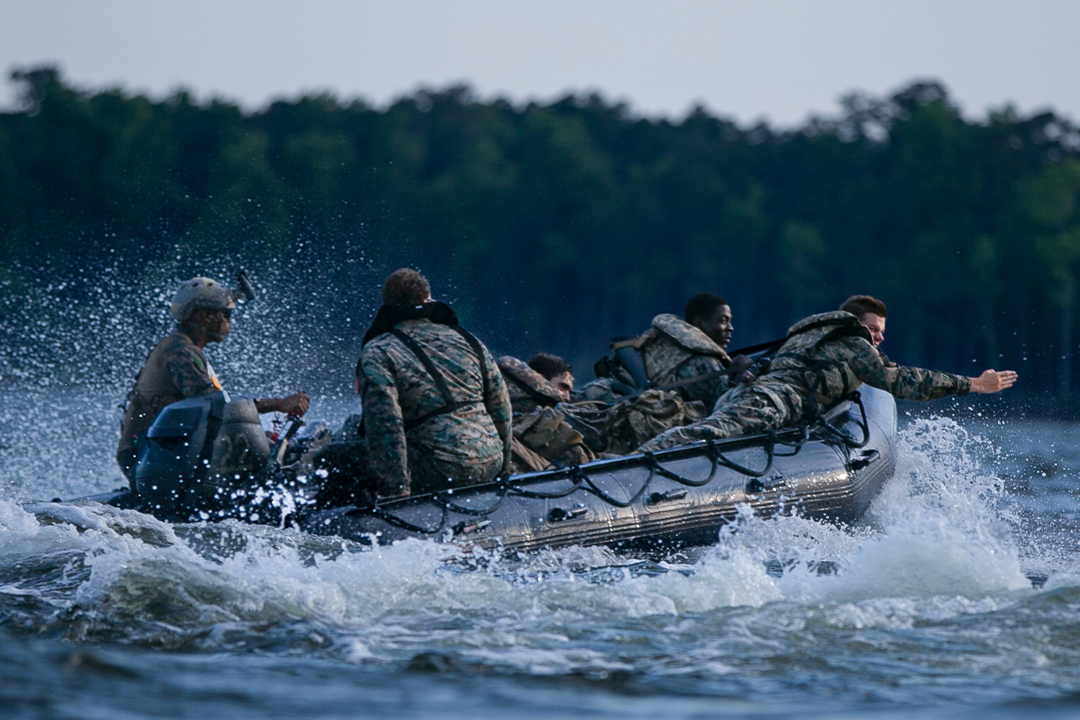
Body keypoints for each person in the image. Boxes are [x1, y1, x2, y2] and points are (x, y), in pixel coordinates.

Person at [639, 297, 1017, 452]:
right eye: (873, 329)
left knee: (710, 432)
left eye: (882, 331)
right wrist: (972, 384)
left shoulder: (810, 337)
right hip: (772, 400)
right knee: (706, 433)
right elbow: (901, 381)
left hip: (752, 394)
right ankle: (632, 461)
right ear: (854, 323)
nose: (878, 337)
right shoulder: (852, 344)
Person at [117, 277, 309, 481]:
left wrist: (257, 439)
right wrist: (279, 404)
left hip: (163, 451)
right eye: (225, 314)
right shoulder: (179, 351)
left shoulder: (184, 348)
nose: (228, 322)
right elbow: (219, 407)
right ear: (202, 316)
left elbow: (215, 415)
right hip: (152, 456)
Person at [354, 268, 512, 498]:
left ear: (387, 305)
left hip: (438, 466)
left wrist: (398, 492)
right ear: (427, 299)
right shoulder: (468, 340)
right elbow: (501, 407)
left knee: (335, 457)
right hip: (492, 458)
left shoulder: (377, 352)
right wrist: (503, 469)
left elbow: (385, 424)